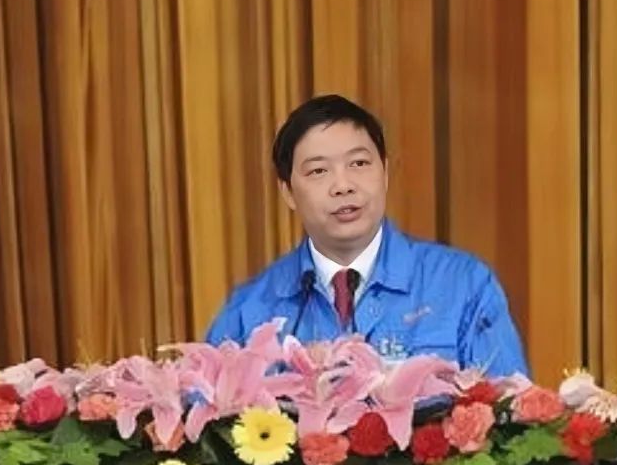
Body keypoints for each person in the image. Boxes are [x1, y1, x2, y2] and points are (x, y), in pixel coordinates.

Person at [206, 94, 529, 377]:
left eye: (359, 163)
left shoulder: (463, 285)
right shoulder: (249, 310)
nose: (343, 185)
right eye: (319, 171)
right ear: (288, 192)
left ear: (384, 173)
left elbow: (510, 414)